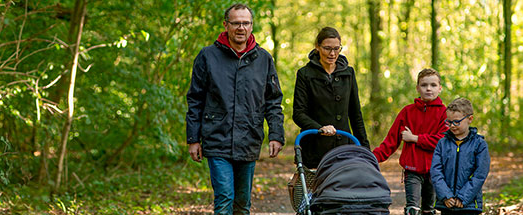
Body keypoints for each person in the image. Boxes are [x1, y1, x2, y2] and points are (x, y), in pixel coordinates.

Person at [185, 3, 284, 215]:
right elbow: (195, 99)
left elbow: (273, 100)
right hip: (216, 138)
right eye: (236, 23)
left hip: (249, 138)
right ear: (226, 25)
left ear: (251, 26)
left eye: (246, 23)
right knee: (224, 199)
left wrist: (276, 134)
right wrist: (193, 138)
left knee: (242, 204)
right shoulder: (207, 56)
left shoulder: (264, 59)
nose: (241, 27)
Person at [293, 26, 370, 172]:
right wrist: (319, 128)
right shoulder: (305, 74)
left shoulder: (349, 73)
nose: (332, 53)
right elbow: (299, 114)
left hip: (344, 148)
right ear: (317, 47)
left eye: (337, 48)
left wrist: (365, 149)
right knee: (316, 192)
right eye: (327, 48)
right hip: (315, 148)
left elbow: (355, 114)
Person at [371, 69, 448, 215]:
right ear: (417, 88)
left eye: (433, 85)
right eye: (424, 85)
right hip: (412, 169)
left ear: (440, 88)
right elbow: (391, 141)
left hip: (435, 170)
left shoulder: (444, 113)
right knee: (412, 208)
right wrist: (372, 158)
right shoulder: (407, 112)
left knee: (429, 209)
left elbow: (442, 141)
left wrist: (415, 138)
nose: (428, 88)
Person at [430, 98, 490, 215]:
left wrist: (463, 197)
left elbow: (480, 174)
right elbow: (436, 171)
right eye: (449, 122)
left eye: (456, 122)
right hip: (446, 204)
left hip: (469, 204)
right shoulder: (442, 143)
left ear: (470, 119)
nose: (452, 126)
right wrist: (445, 195)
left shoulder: (479, 144)